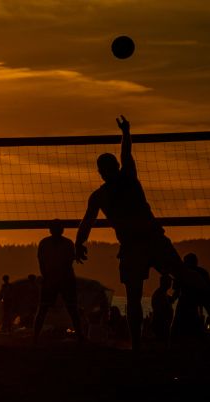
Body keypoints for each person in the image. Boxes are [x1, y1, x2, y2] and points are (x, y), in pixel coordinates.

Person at [76, 116, 189, 351]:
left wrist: (79, 243)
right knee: (179, 280)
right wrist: (126, 132)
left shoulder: (106, 191)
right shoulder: (123, 180)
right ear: (113, 167)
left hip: (141, 242)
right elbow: (127, 153)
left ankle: (138, 345)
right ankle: (139, 344)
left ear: (100, 172)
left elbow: (87, 221)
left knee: (137, 296)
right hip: (147, 240)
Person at [34, 219, 84, 344]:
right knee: (69, 309)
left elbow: (42, 262)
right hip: (61, 279)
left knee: (46, 309)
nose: (57, 230)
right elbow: (43, 262)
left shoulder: (47, 243)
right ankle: (80, 337)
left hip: (59, 279)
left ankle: (35, 337)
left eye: (58, 228)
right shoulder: (65, 243)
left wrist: (47, 276)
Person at [170, 254, 209, 343]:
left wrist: (172, 299)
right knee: (196, 327)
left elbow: (176, 290)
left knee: (178, 328)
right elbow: (207, 291)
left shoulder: (182, 273)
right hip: (196, 303)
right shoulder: (203, 272)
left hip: (185, 303)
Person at [150, 274, 174, 342]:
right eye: (169, 282)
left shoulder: (163, 293)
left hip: (163, 324)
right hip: (160, 324)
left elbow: (172, 299)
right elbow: (161, 309)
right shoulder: (160, 294)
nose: (170, 284)